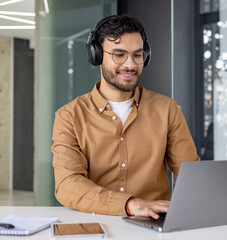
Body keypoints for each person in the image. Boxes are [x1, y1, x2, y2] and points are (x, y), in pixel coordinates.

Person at [51, 14, 200, 219]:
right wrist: (129, 205)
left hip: (154, 224)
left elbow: (189, 173)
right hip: (97, 222)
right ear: (96, 56)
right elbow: (67, 185)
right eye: (119, 54)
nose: (130, 65)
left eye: (137, 55)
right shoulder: (69, 116)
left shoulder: (167, 109)